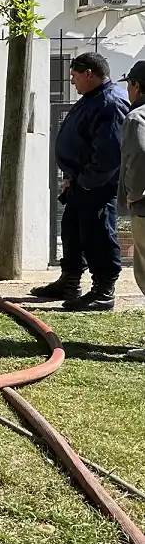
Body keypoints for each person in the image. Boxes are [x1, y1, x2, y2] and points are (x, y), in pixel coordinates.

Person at [33, 53, 129, 311]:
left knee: (98, 234)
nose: (72, 82)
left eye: (74, 76)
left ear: (89, 73)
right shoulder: (92, 98)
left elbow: (109, 152)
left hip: (96, 183)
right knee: (73, 231)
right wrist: (71, 177)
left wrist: (86, 181)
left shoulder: (110, 102)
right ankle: (70, 281)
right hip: (79, 180)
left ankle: (103, 290)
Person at [121, 61, 145, 355]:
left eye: (130, 84)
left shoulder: (138, 118)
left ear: (137, 86)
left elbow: (138, 157)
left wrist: (134, 195)